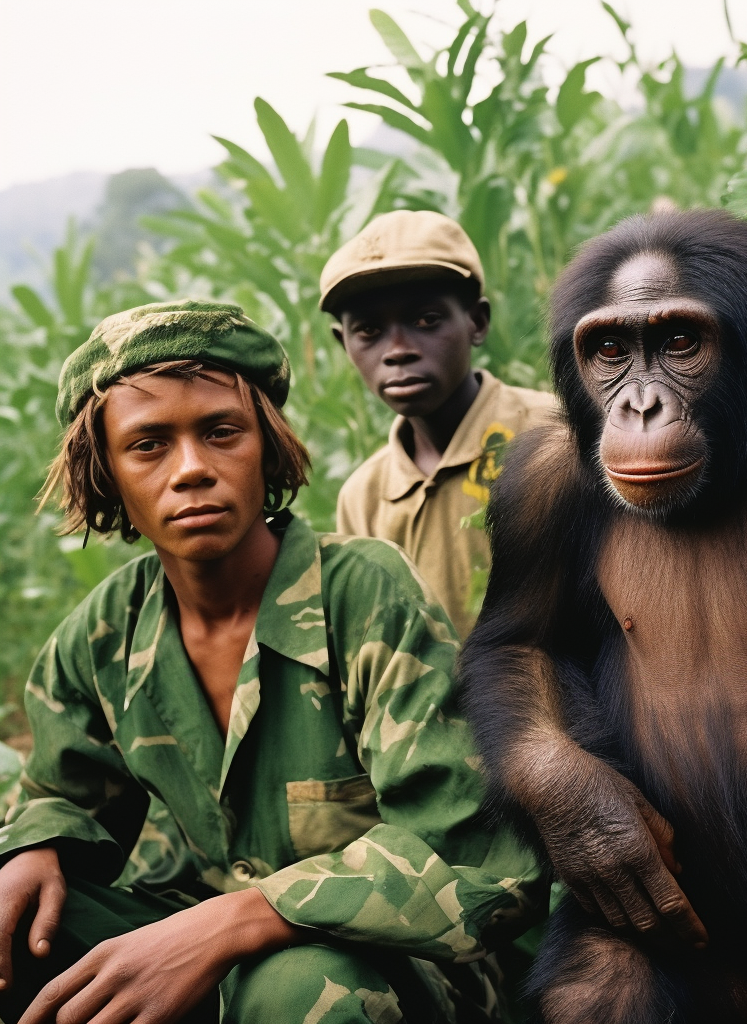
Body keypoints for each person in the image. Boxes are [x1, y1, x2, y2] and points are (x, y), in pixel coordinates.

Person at [0, 300, 542, 1024]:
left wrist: (235, 920)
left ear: (269, 447)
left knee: (304, 991)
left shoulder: (364, 594)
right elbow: (60, 792)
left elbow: (477, 869)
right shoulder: (103, 631)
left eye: (221, 432)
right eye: (149, 444)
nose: (192, 469)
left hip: (391, 973)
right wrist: (36, 849)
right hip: (193, 941)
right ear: (108, 474)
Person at [320, 211, 556, 639]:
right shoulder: (365, 497)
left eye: (426, 320)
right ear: (344, 344)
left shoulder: (552, 437)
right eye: (369, 331)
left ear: (477, 322)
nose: (397, 350)